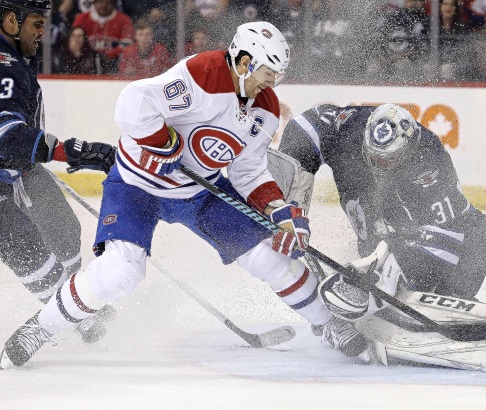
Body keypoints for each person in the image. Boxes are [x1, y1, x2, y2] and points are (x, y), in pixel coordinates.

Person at [0, 21, 367, 370]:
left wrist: (277, 209)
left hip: (199, 190)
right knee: (120, 271)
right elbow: (132, 102)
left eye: (276, 78)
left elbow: (248, 170)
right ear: (244, 62)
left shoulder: (265, 108)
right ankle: (41, 328)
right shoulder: (203, 73)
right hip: (137, 184)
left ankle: (327, 323)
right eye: (267, 75)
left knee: (267, 256)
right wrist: (163, 141)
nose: (271, 85)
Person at [272, 103, 486, 375]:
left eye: (388, 160)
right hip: (388, 232)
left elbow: (445, 238)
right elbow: (306, 126)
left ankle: (441, 308)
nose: (378, 166)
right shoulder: (350, 127)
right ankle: (341, 318)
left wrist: (392, 272)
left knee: (415, 291)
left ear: (408, 149)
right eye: (373, 157)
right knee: (367, 287)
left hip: (461, 245)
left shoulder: (430, 165)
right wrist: (289, 195)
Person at [0, 0, 117, 346]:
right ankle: (69, 316)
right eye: (36, 23)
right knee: (26, 250)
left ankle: (75, 301)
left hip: (16, 169)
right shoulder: (3, 64)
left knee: (65, 229)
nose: (42, 32)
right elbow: (5, 133)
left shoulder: (15, 58)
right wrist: (71, 148)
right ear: (10, 20)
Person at [71, 0, 134, 73]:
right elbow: (72, 42)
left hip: (114, 63)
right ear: (94, 3)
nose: (104, 5)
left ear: (113, 3)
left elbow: (128, 45)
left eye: (107, 2)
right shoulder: (82, 18)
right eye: (100, 2)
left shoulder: (124, 20)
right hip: (86, 61)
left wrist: (109, 55)